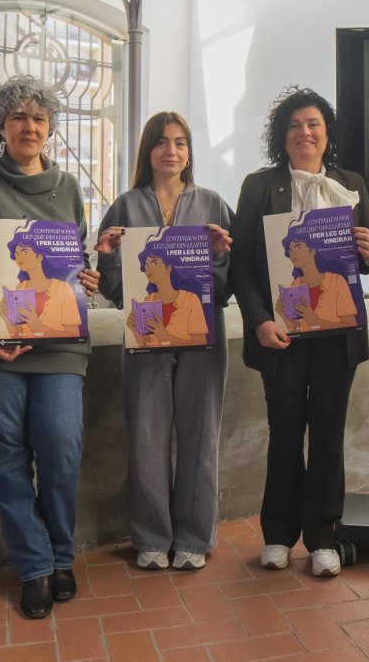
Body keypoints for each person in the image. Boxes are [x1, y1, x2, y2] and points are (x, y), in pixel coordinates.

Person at [0, 75, 100, 620]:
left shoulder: (69, 185)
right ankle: (34, 568)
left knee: (59, 445)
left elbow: (71, 263)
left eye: (39, 118)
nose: (29, 126)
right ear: (1, 125)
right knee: (7, 450)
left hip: (56, 342)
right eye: (18, 117)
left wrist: (86, 279)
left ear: (50, 127)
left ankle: (60, 554)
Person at [229, 86, 369, 578]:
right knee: (285, 434)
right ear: (282, 135)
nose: (305, 132)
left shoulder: (350, 182)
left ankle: (323, 537)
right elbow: (242, 267)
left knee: (330, 438)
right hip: (282, 334)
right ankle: (277, 534)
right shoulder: (259, 186)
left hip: (336, 335)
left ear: (327, 133)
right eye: (295, 125)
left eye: (313, 124)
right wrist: (260, 320)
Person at [95, 111, 233, 571]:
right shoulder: (125, 206)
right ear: (147, 152)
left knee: (200, 435)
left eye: (179, 142)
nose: (170, 151)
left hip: (202, 332)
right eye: (161, 142)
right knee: (147, 434)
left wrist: (220, 254)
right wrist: (108, 258)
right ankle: (152, 535)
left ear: (189, 152)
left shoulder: (213, 204)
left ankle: (194, 536)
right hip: (145, 334)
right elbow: (114, 290)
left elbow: (229, 283)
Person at [124, 232, 212, 348]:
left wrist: (165, 336)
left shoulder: (190, 299)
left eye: (154, 262)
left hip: (187, 361)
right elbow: (146, 345)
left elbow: (202, 344)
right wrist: (134, 329)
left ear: (168, 268)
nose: (148, 267)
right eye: (146, 265)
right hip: (155, 362)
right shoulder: (148, 299)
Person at [0, 221, 84, 340]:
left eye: (24, 251)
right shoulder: (20, 288)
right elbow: (19, 336)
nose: (19, 257)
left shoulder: (63, 288)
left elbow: (75, 336)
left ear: (39, 256)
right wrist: (6, 318)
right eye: (17, 253)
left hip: (56, 353)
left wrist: (38, 326)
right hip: (27, 353)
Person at [276, 225, 358, 332]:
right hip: (306, 345)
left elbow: (351, 325)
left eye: (298, 247)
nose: (293, 253)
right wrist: (283, 314)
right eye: (290, 250)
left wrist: (313, 320)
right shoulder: (295, 284)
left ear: (312, 251)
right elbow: (296, 329)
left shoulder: (336, 281)